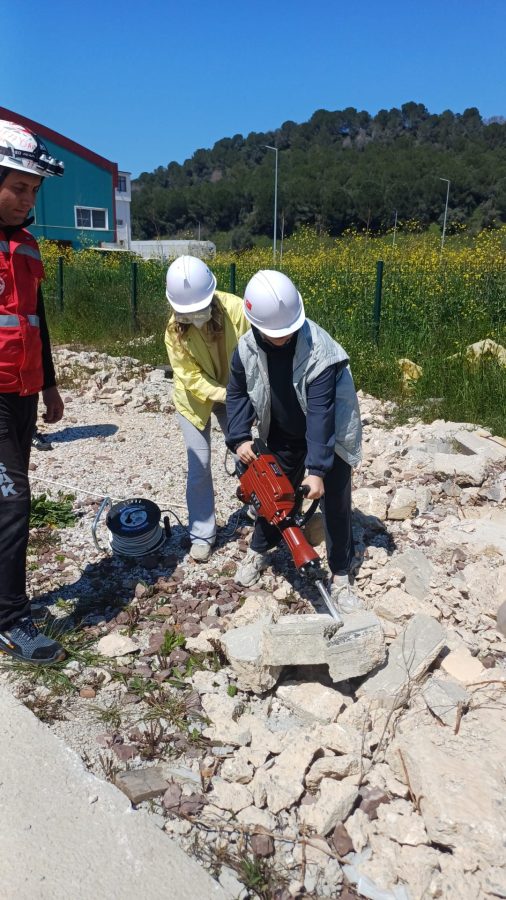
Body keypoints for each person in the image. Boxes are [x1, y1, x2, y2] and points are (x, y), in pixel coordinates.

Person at [226, 269, 363, 616]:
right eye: (275, 333)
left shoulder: (320, 351)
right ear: (255, 323)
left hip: (329, 437)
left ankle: (342, 574)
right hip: (281, 434)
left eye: (288, 331)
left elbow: (321, 415)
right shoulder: (245, 349)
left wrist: (317, 470)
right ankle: (259, 550)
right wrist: (239, 436)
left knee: (335, 503)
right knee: (272, 496)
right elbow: (237, 393)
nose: (283, 337)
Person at [0, 119, 65, 663]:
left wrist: (50, 387)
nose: (27, 199)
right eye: (18, 187)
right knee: (13, 502)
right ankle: (10, 619)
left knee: (7, 498)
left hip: (22, 392)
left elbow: (34, 317)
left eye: (34, 190)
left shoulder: (25, 245)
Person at [164, 255, 249, 562]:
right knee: (199, 466)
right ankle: (202, 533)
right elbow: (191, 378)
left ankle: (256, 504)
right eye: (188, 312)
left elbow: (254, 352)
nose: (195, 316)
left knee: (247, 450)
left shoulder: (237, 310)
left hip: (234, 393)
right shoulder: (174, 331)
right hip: (195, 401)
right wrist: (229, 394)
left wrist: (242, 395)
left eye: (199, 308)